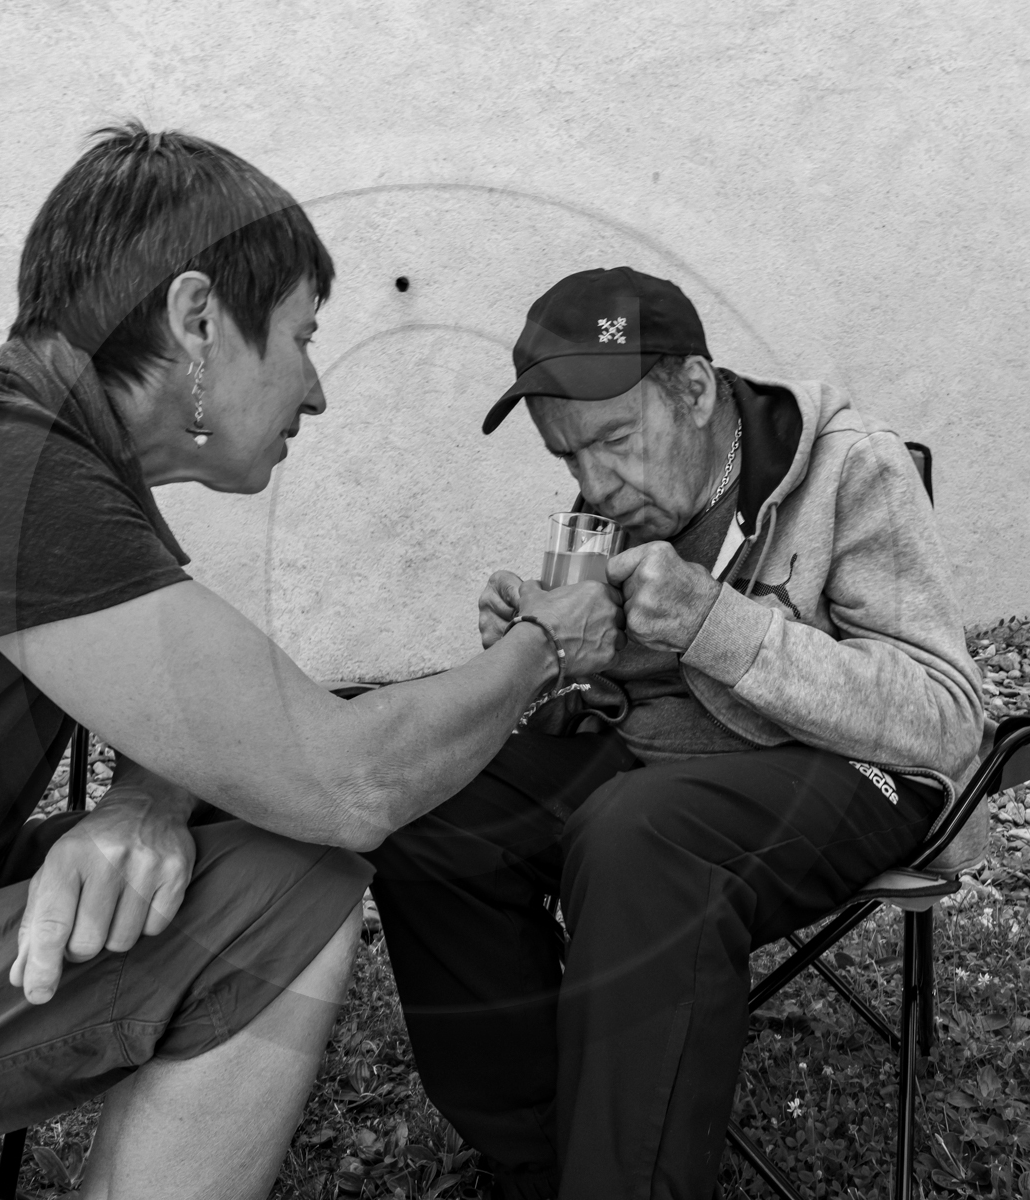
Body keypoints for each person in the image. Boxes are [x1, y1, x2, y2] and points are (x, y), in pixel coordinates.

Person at [0, 127, 624, 1200]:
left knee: (278, 867)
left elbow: (206, 721)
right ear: (198, 322)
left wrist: (148, 803)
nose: (317, 391)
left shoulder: (21, 463)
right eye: (302, 336)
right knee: (286, 904)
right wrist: (549, 641)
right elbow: (344, 779)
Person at [365, 266, 986, 1200]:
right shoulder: (614, 507)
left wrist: (713, 623)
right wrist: (554, 639)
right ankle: (536, 1154)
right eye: (568, 459)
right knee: (433, 804)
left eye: (615, 440)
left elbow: (943, 717)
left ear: (695, 389)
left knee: (643, 837)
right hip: (658, 751)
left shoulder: (853, 467)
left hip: (849, 770)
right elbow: (635, 664)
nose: (597, 485)